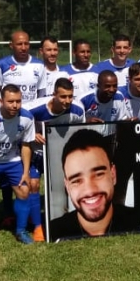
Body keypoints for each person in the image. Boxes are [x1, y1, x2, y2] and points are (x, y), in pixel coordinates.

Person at [51, 128, 139, 240]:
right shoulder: (53, 232)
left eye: (98, 175)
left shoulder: (139, 223)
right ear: (67, 187)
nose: (89, 190)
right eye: (76, 180)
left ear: (113, 174)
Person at [27, 78, 86, 241]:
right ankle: (37, 226)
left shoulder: (78, 110)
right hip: (36, 152)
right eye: (63, 97)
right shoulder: (34, 108)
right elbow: (19, 121)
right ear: (54, 95)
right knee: (33, 185)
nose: (67, 101)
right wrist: (31, 134)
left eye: (70, 96)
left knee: (63, 187)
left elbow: (80, 132)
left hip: (59, 153)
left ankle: (64, 221)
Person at [0, 85, 36, 243]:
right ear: (1, 101)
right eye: (11, 101)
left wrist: (26, 172)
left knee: (24, 190)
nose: (15, 105)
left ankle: (21, 231)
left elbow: (26, 146)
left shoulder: (27, 117)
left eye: (18, 101)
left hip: (12, 161)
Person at [0, 30, 44, 104]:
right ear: (11, 45)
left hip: (31, 112)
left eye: (26, 44)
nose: (23, 48)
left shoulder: (40, 65)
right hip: (9, 113)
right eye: (19, 44)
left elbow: (41, 93)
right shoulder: (1, 64)